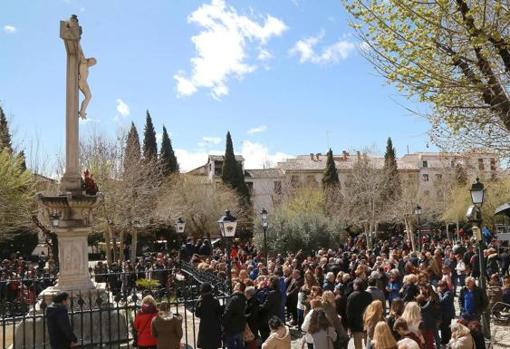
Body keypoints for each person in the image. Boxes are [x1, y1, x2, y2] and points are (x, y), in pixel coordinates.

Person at [347, 278, 373, 349]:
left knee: (358, 346)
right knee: (367, 344)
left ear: (356, 285)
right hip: (366, 323)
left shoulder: (352, 296)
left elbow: (349, 312)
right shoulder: (368, 295)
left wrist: (349, 326)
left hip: (356, 325)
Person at [195, 283, 222, 349]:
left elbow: (197, 314)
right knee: (214, 345)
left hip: (204, 326)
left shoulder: (200, 302)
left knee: (205, 345)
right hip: (214, 325)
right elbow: (219, 313)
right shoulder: (215, 301)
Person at [223, 282, 247, 349]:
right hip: (240, 326)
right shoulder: (244, 298)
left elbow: (227, 312)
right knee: (240, 345)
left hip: (231, 328)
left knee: (231, 346)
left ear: (239, 288)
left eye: (236, 285)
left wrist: (223, 323)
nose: (234, 286)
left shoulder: (234, 299)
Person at [437, 280, 455, 346]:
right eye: (439, 286)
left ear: (445, 286)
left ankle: (448, 341)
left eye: (441, 286)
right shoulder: (442, 292)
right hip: (443, 313)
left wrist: (438, 294)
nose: (440, 287)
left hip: (448, 314)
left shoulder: (448, 292)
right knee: (442, 328)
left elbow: (442, 301)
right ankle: (444, 341)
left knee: (447, 328)